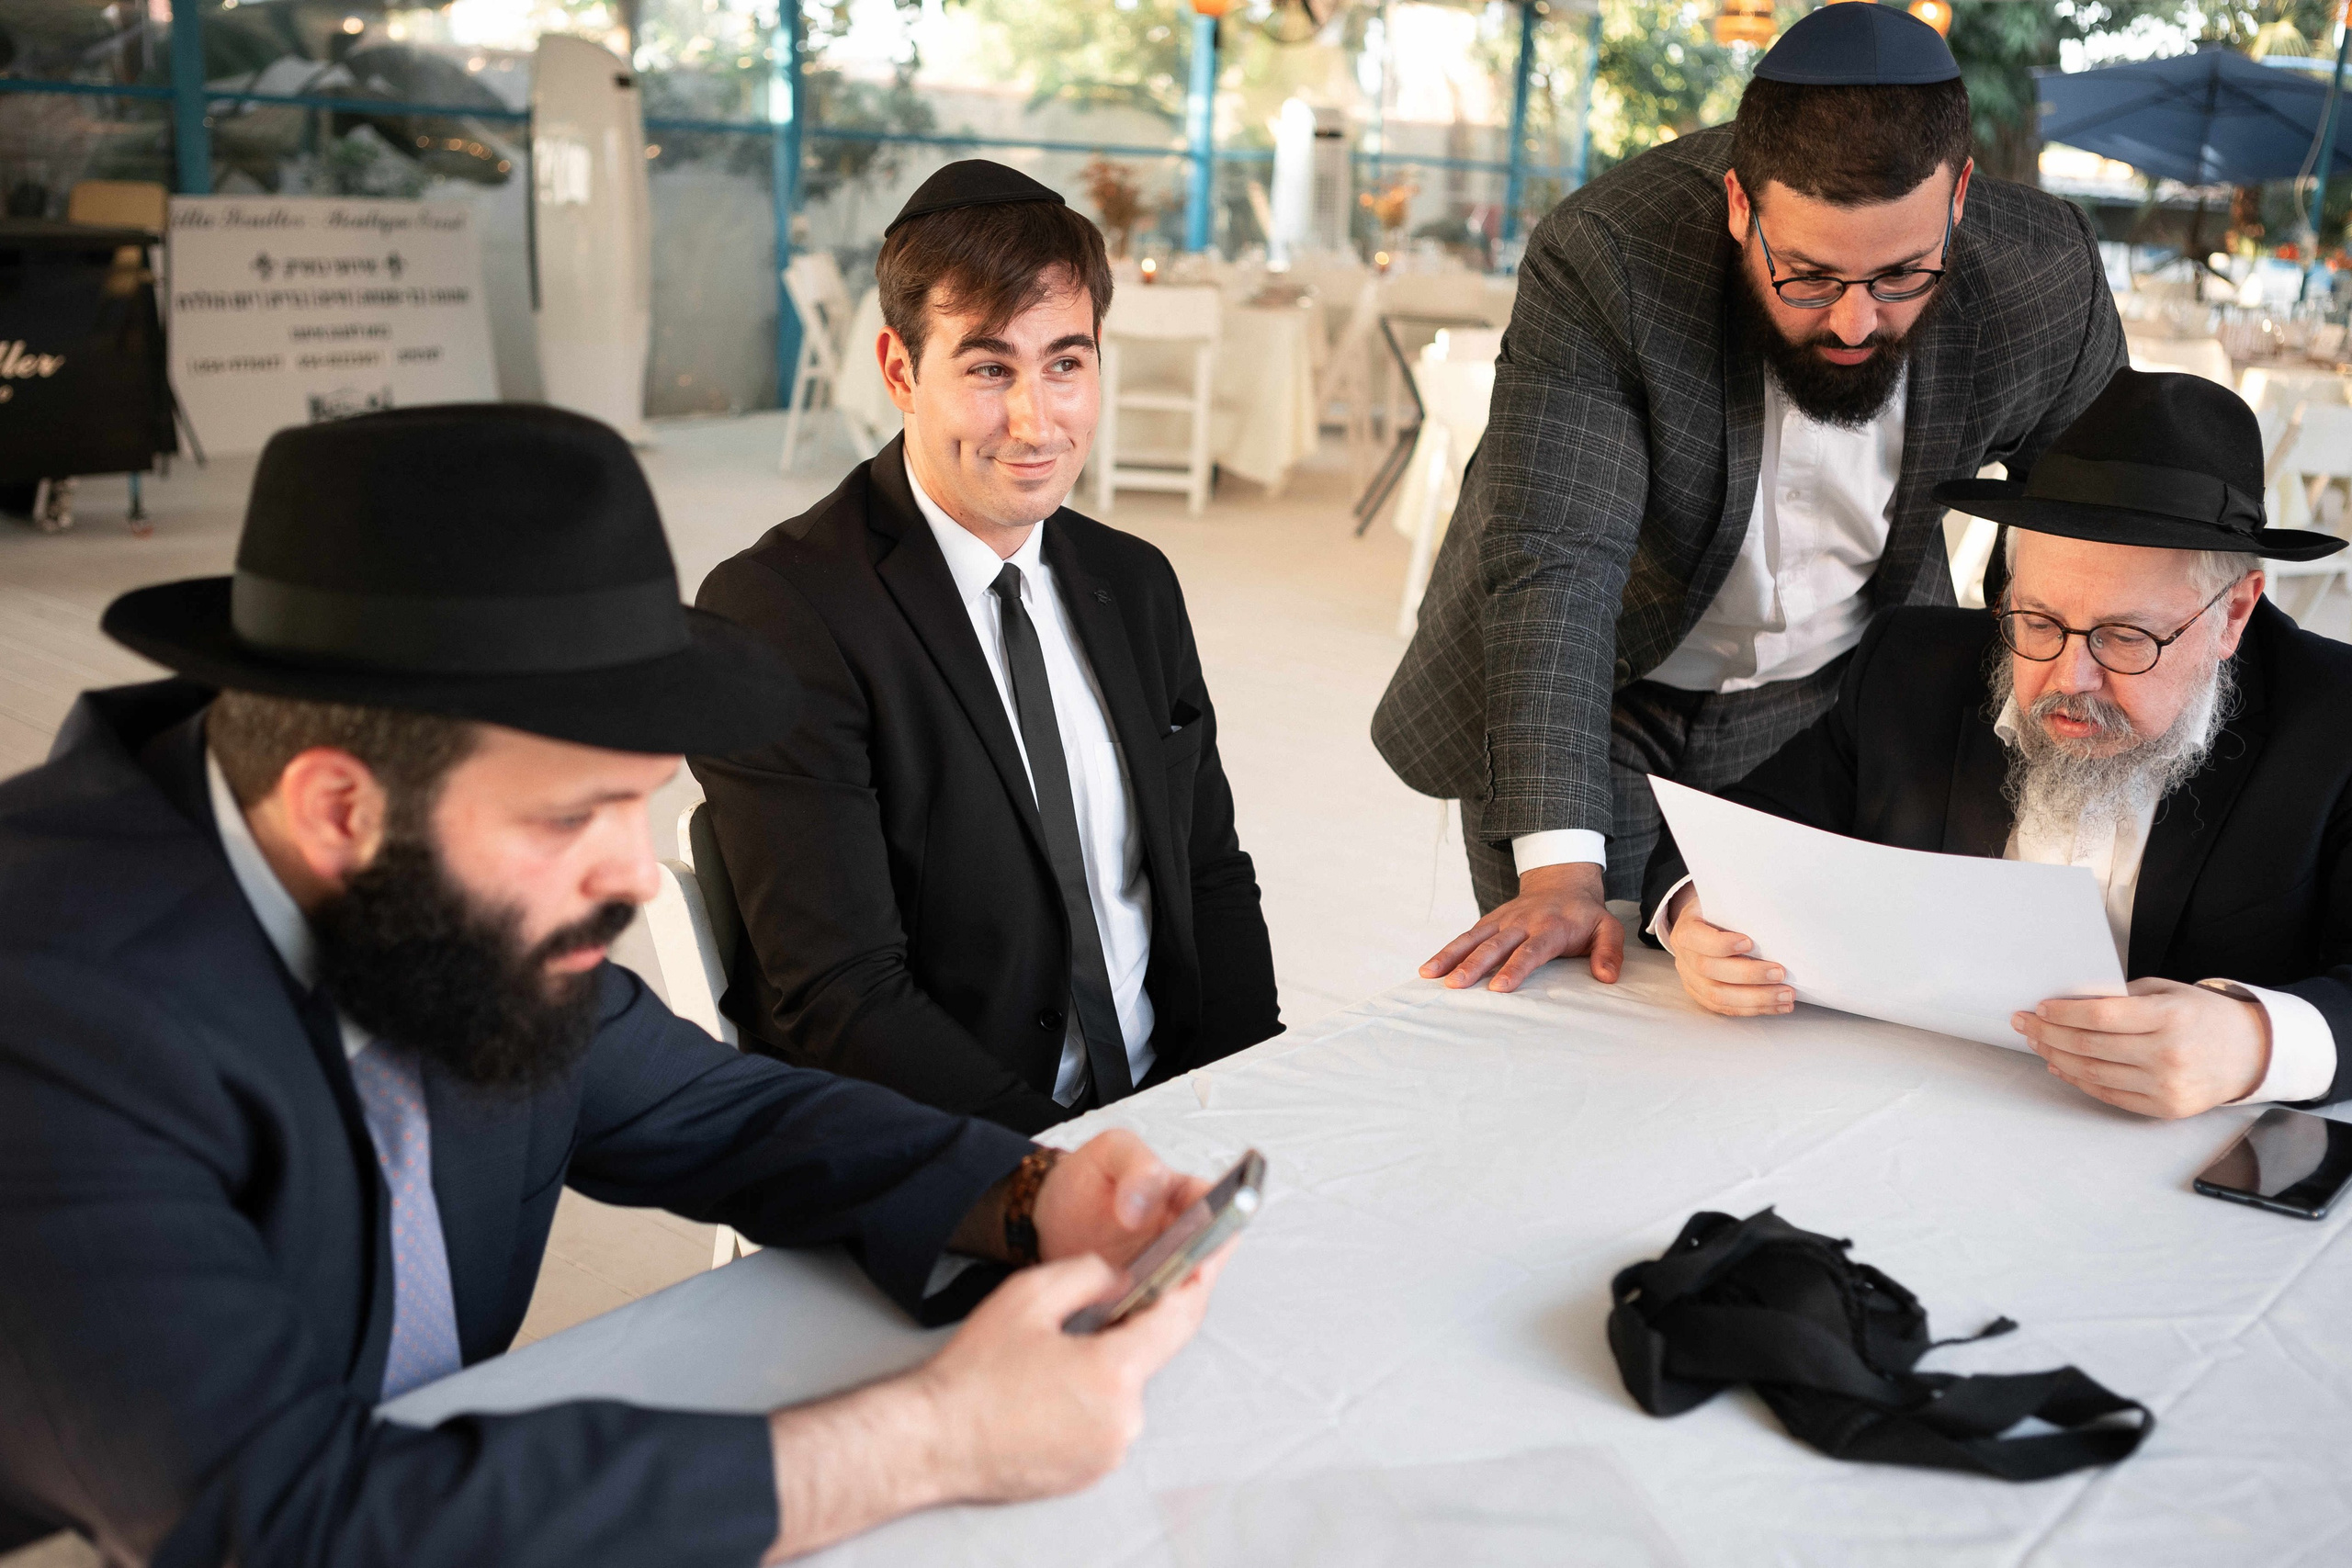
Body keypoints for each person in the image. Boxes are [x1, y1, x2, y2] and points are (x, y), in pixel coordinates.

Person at [0, 403, 1235, 1567]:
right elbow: (282, 1523)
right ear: (338, 809)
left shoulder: (434, 887)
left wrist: (1030, 1193)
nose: (636, 876)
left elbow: (716, 1110)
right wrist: (935, 1437)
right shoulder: (51, 1021)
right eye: (570, 816)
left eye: (637, 805)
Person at [1373, 3, 2125, 998]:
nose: (1854, 322)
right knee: (1599, 1015)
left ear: (1958, 199)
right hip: (1608, 696)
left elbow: (2096, 526)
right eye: (1807, 277)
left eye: (1900, 276)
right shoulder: (1611, 254)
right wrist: (1558, 873)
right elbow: (1559, 558)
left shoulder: (2045, 274)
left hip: (1838, 702)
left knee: (1826, 1010)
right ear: (1740, 204)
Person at [691, 161, 1280, 1135]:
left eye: (1065, 364)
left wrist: (1258, 1093)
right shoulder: (779, 614)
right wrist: (1054, 1173)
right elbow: (841, 994)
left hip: (1167, 1110)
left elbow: (1207, 871)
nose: (1035, 421)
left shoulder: (1134, 583)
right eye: (988, 369)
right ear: (899, 371)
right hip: (952, 1150)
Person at [1644, 369, 2352, 1119]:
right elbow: (1721, 834)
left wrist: (2255, 1041)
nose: (2070, 678)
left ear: (2233, 613)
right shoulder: (1912, 671)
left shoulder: (2334, 724)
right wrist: (1694, 912)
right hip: (1903, 1115)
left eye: (2124, 637)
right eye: (2038, 622)